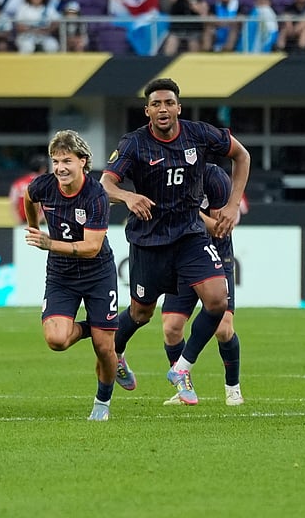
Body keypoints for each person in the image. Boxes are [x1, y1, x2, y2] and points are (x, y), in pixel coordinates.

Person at [101, 78, 250, 404]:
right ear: (147, 111)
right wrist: (127, 196)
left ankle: (182, 367)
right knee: (141, 314)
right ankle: (117, 352)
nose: (163, 109)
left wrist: (232, 203)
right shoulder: (134, 144)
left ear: (178, 108)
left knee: (217, 301)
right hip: (149, 241)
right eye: (156, 104)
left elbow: (242, 156)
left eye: (169, 103)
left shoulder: (199, 134)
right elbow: (106, 184)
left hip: (190, 236)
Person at [22, 130, 120, 421]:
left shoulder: (96, 196)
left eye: (67, 160)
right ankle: (99, 325)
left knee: (105, 348)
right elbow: (29, 197)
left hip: (97, 272)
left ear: (83, 162)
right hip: (61, 273)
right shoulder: (45, 186)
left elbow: (92, 247)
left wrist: (48, 243)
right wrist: (33, 226)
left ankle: (102, 403)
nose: (60, 167)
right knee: (56, 340)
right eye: (55, 161)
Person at [160, 163, 245, 406]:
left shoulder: (215, 177)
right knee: (171, 327)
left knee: (223, 329)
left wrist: (188, 212)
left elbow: (219, 229)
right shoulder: (170, 177)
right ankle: (183, 386)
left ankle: (233, 388)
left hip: (217, 253)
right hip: (184, 255)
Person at [9, 153, 49, 223]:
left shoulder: (19, 183)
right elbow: (47, 205)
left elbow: (13, 204)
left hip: (23, 222)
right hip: (39, 223)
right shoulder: (45, 184)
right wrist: (37, 222)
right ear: (42, 168)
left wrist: (19, 222)